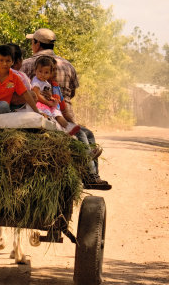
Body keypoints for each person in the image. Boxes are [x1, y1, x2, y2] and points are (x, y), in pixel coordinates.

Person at [21, 28, 111, 190]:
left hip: (35, 117)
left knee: (84, 134)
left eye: (32, 42)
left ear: (37, 44)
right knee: (86, 135)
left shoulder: (27, 64)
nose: (31, 45)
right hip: (62, 117)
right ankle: (91, 175)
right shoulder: (68, 65)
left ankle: (89, 171)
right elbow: (72, 93)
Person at [31, 55, 80, 135]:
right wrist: (49, 102)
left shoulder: (49, 84)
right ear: (35, 70)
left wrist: (51, 98)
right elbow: (36, 95)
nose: (42, 74)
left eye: (46, 72)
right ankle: (57, 130)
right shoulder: (36, 81)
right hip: (40, 104)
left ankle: (68, 127)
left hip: (48, 104)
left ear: (50, 73)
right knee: (50, 116)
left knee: (57, 113)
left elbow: (48, 95)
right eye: (40, 71)